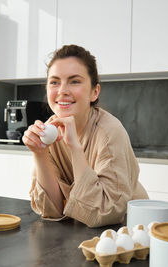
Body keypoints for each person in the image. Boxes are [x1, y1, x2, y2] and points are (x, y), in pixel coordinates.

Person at [22, 44, 148, 228]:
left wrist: (75, 146)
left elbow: (103, 213)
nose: (62, 90)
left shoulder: (109, 132)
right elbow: (52, 210)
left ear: (94, 92)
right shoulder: (50, 130)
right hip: (81, 235)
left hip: (127, 232)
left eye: (74, 81)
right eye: (54, 82)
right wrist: (40, 154)